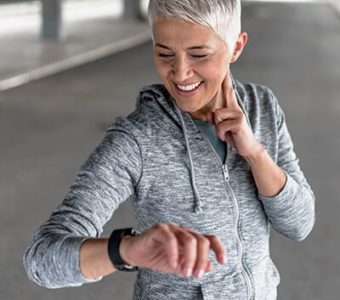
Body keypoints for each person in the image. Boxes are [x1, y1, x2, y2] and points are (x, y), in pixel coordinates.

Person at [23, 0, 315, 299]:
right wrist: (125, 250)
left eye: (199, 54)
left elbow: (300, 224)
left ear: (236, 47)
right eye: (164, 54)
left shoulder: (262, 106)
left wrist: (255, 153)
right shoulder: (136, 140)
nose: (180, 73)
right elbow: (41, 259)